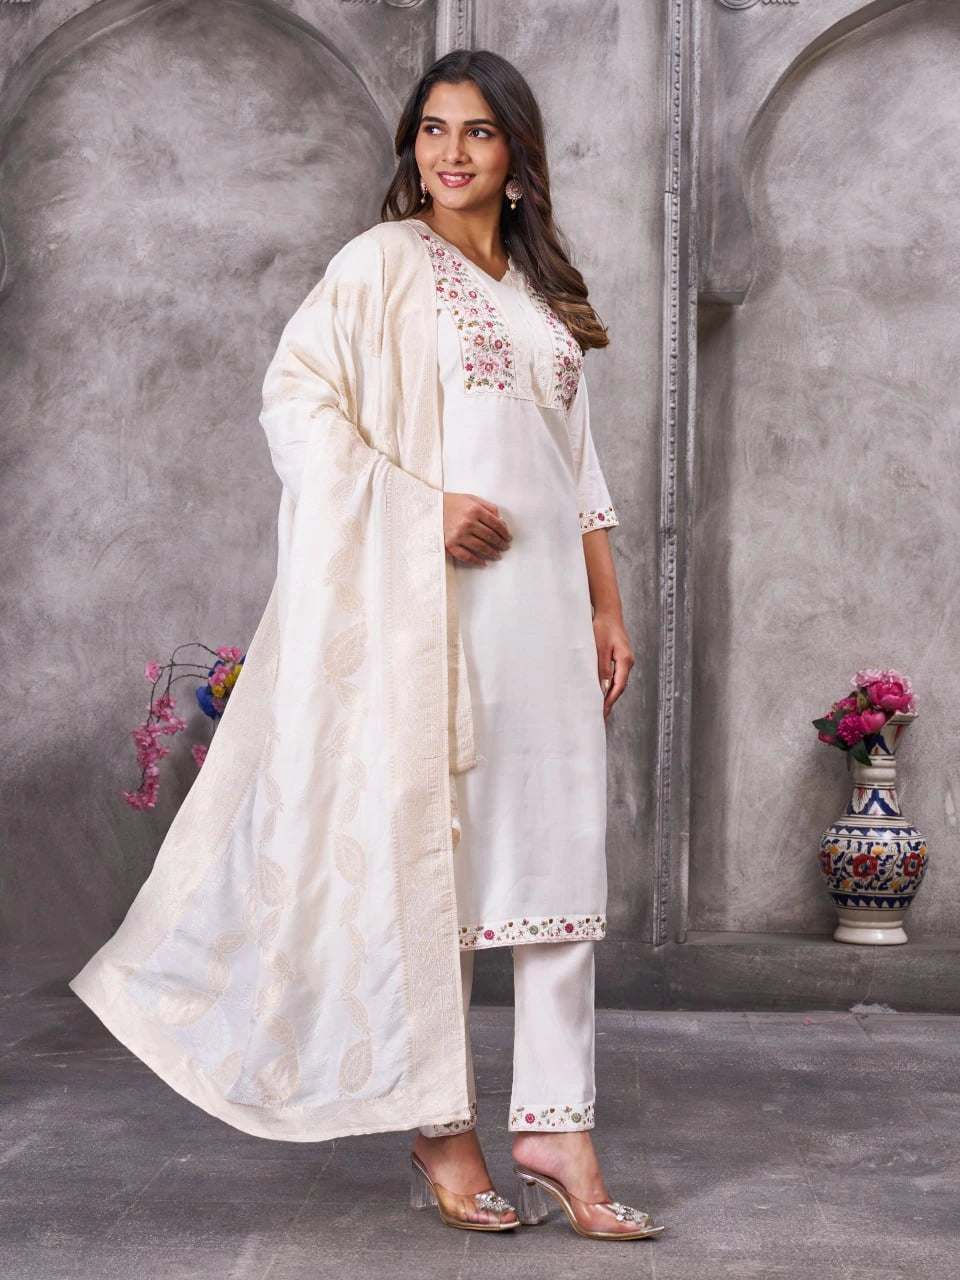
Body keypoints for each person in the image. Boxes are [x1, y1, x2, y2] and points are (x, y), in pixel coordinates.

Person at [68, 48, 663, 1244]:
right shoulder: (385, 266)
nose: (450, 152)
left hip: (546, 617)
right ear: (413, 149)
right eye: (433, 130)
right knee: (430, 862)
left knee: (555, 875)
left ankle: (557, 1122)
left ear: (516, 155)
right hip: (431, 613)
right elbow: (298, 401)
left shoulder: (543, 306)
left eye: (478, 132)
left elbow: (578, 474)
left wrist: (607, 603)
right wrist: (418, 506)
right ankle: (441, 1122)